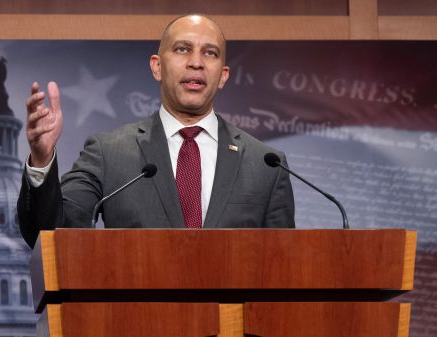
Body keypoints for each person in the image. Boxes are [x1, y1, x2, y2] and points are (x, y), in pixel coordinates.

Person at [17, 14, 295, 247]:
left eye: (209, 53)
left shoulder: (265, 164)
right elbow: (51, 235)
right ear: (157, 67)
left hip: (234, 314)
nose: (196, 62)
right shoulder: (108, 153)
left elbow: (282, 266)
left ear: (222, 76)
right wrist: (42, 160)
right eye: (183, 49)